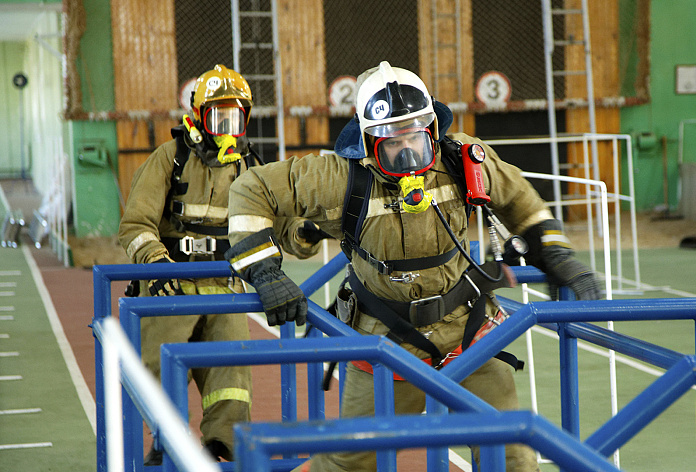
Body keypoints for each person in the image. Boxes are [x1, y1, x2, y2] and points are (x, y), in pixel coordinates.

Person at [224, 61, 602, 471]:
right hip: (385, 346)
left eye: (416, 139)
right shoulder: (335, 177)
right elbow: (250, 187)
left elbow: (521, 200)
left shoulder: (462, 160)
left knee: (512, 454)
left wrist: (557, 255)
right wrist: (263, 271)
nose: (407, 153)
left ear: (432, 131)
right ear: (368, 143)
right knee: (347, 463)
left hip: (469, 336)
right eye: (392, 143)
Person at [117, 64, 318, 464]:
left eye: (236, 117)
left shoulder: (249, 169)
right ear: (198, 118)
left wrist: (304, 233)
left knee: (232, 375)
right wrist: (155, 263)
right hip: (169, 283)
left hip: (224, 286)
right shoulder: (169, 159)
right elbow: (135, 225)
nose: (228, 127)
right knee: (158, 369)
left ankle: (221, 449)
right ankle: (168, 443)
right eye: (218, 117)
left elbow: (276, 223)